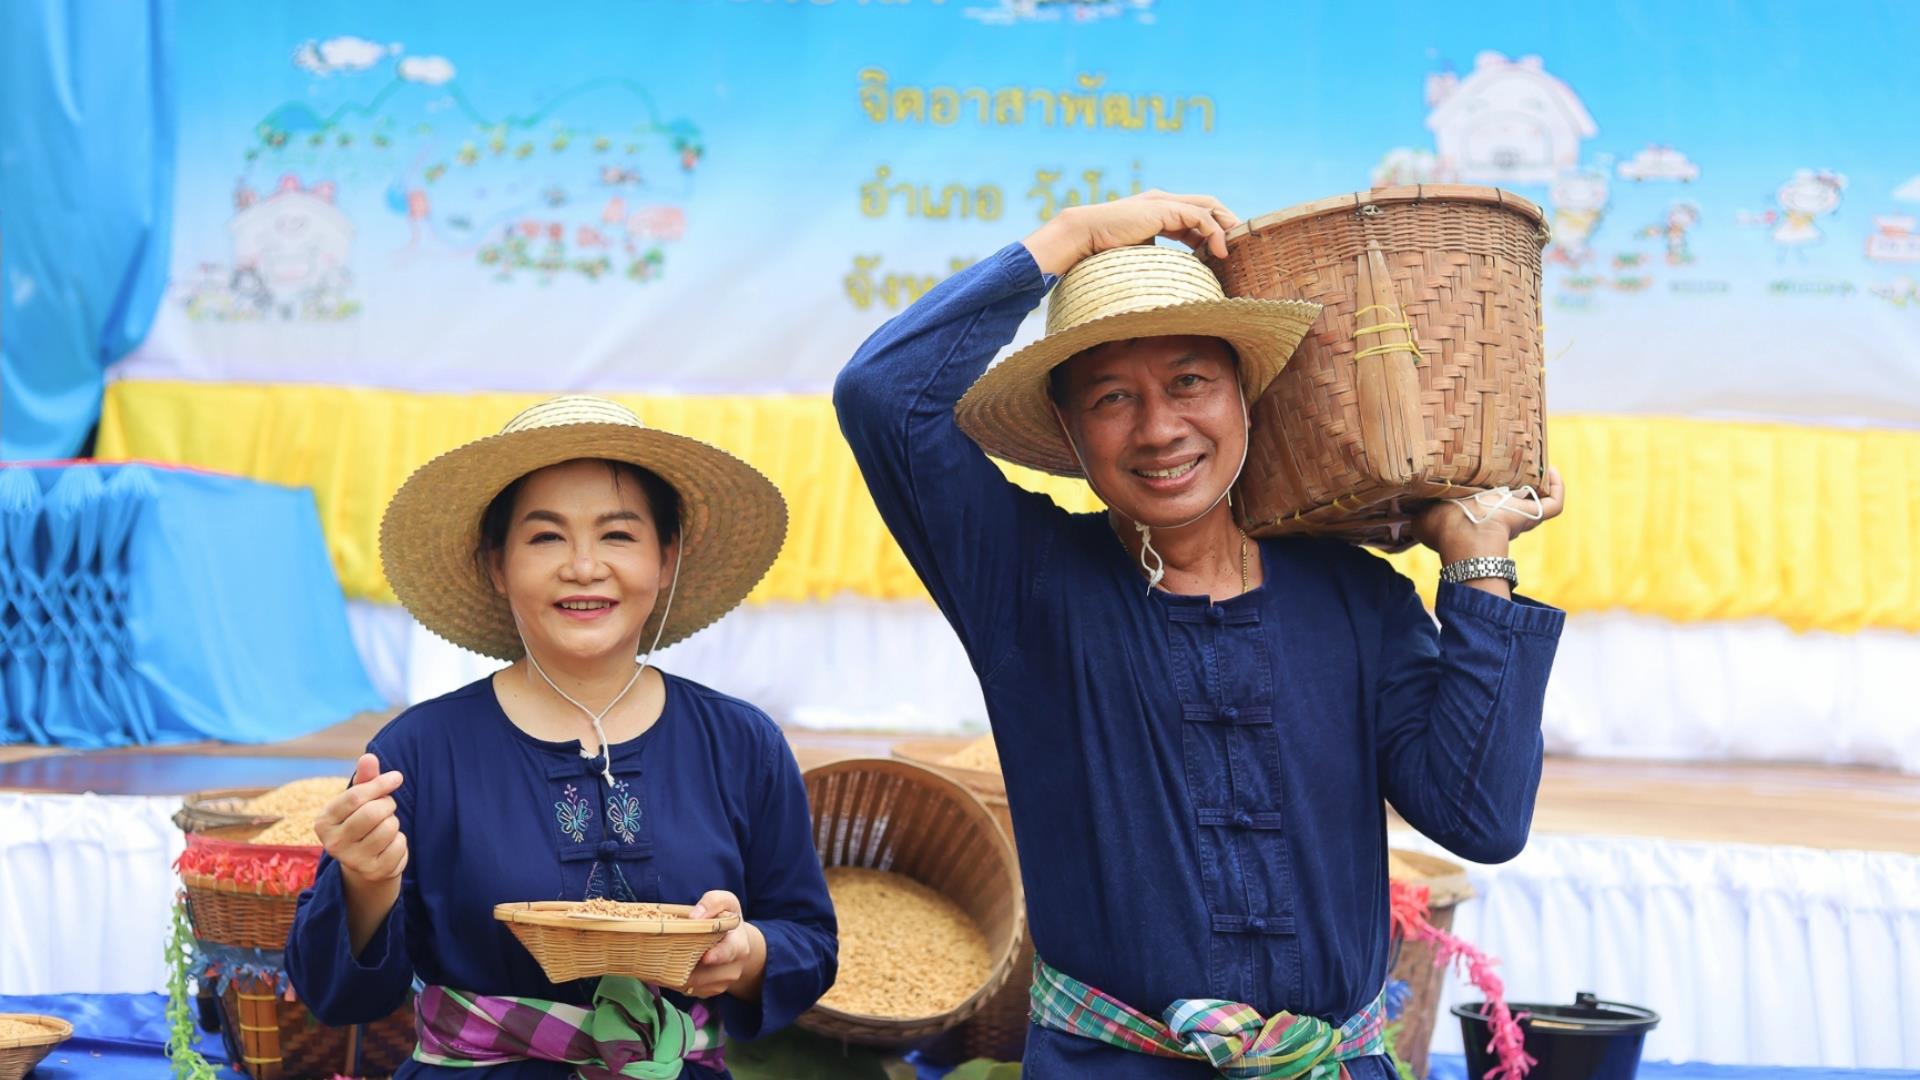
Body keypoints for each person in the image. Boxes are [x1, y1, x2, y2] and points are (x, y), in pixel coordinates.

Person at [834, 192, 1566, 1079]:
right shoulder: (1027, 583)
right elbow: (881, 395)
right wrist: (1071, 237)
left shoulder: (1356, 600)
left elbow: (1480, 819)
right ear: (1068, 429)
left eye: (1190, 383)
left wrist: (1477, 564)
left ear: (1245, 396)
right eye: (1112, 397)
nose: (1158, 430)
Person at [286, 396, 837, 1079]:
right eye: (546, 537)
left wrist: (746, 954)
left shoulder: (741, 743)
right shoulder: (418, 753)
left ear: (666, 558)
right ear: (497, 564)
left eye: (618, 535)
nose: (583, 566)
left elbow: (810, 942)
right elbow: (334, 994)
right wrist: (367, 882)